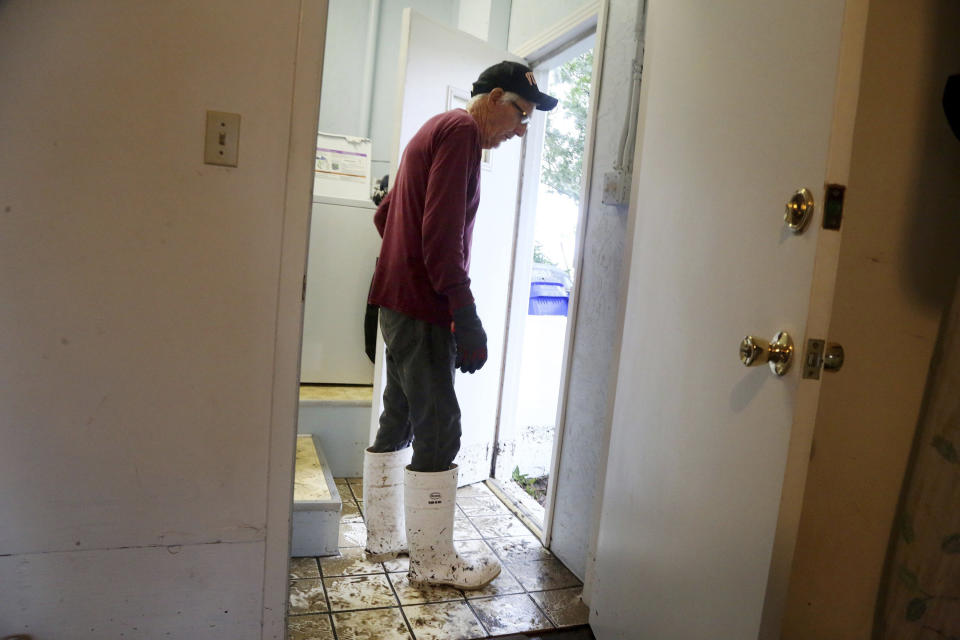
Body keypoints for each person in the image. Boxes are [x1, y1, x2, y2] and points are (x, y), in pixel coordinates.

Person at [362, 61, 557, 590]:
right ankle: (432, 562)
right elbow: (441, 239)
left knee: (399, 417)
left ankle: (382, 537)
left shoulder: (434, 127)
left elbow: (385, 217)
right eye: (521, 114)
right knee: (441, 427)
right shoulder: (463, 132)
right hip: (422, 309)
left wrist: (398, 277)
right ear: (494, 97)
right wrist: (465, 316)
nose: (521, 130)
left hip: (396, 303)